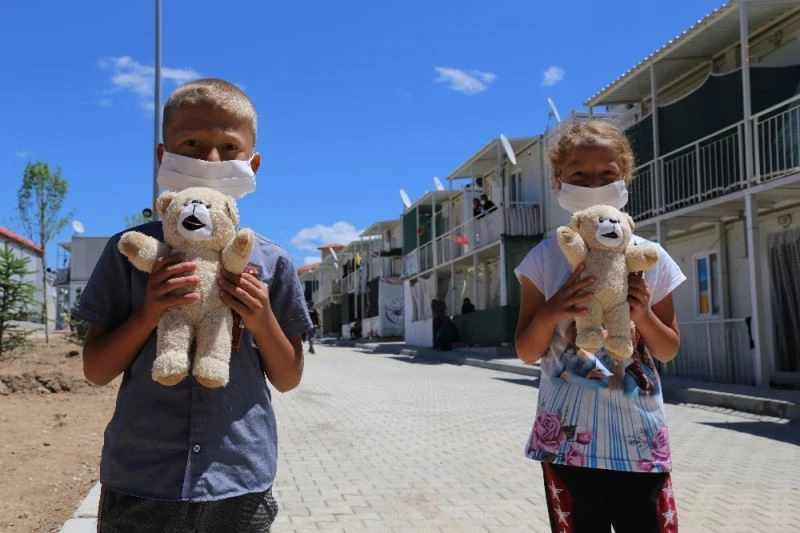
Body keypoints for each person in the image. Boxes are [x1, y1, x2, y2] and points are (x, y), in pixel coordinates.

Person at [72, 79, 313, 532]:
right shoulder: (129, 252)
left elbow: (288, 377)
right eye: (193, 144)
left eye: (228, 147)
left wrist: (260, 319)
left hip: (238, 478)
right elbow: (96, 370)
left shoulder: (271, 261)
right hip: (142, 478)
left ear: (253, 163)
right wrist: (148, 313)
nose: (211, 160)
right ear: (164, 157)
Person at [513, 119, 685, 533]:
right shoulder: (542, 258)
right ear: (559, 180)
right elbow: (525, 349)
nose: (593, 182)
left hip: (639, 439)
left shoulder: (650, 255)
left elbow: (668, 349)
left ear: (624, 178)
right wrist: (555, 309)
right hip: (568, 443)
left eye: (606, 173)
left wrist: (641, 315)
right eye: (578, 174)